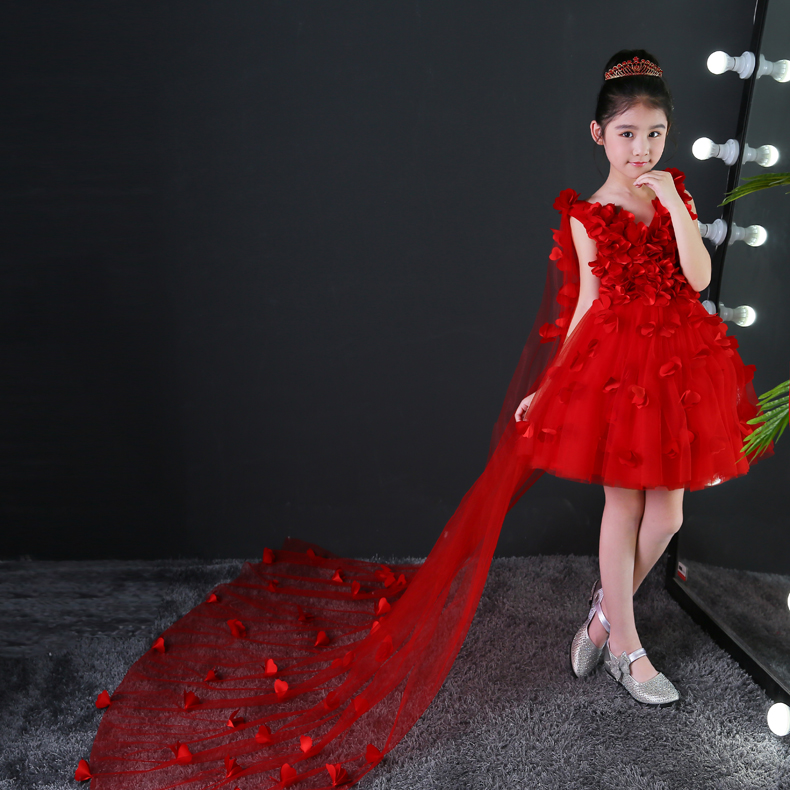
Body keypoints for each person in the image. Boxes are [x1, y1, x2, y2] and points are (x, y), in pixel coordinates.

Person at [78, 49, 773, 788]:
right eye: (628, 134)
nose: (643, 149)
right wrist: (553, 385)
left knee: (668, 516)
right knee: (625, 505)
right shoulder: (588, 214)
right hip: (616, 369)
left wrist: (674, 205)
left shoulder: (674, 194)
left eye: (655, 133)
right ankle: (628, 652)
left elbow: (699, 277)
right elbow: (587, 310)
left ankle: (605, 615)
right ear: (599, 135)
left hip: (678, 363)